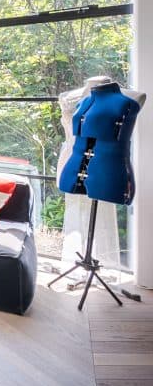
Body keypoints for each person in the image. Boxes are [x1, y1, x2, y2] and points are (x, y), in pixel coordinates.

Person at [56, 76, 145, 276]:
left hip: (108, 167)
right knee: (75, 217)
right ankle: (79, 262)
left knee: (102, 219)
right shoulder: (74, 99)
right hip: (72, 162)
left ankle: (99, 263)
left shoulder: (131, 98)